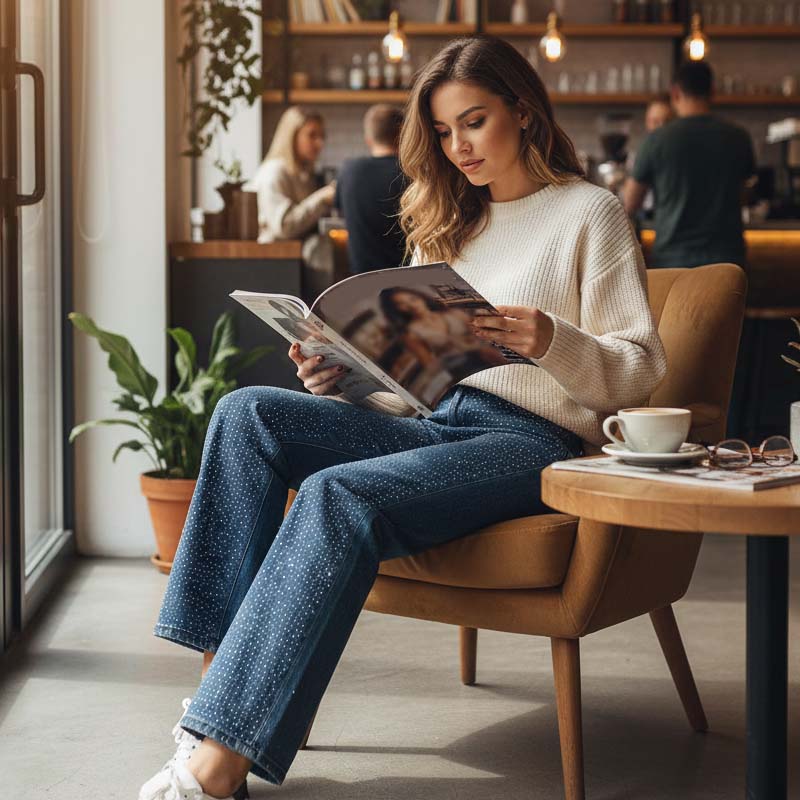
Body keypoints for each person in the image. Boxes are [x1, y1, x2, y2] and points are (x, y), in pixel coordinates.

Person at [140, 34, 666, 800]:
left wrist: (550, 338)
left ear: (523, 112)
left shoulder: (591, 214)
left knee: (337, 495)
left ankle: (216, 767)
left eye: (474, 123)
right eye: (445, 133)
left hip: (530, 442)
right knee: (248, 412)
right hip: (436, 422)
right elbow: (413, 389)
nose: (459, 149)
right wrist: (345, 380)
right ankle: (216, 704)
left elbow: (642, 370)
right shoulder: (449, 223)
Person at [623, 61, 756, 268]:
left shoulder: (657, 140)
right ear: (713, 92)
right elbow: (744, 195)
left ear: (675, 93)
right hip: (728, 259)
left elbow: (629, 203)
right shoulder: (739, 137)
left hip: (673, 258)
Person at [250, 106, 336, 299]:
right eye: (312, 135)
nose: (319, 143)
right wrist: (322, 198)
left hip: (291, 267)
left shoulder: (303, 174)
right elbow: (284, 226)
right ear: (292, 136)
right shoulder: (274, 172)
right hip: (274, 267)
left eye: (322, 136)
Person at [334, 104, 407, 273]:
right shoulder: (410, 174)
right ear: (401, 136)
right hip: (404, 280)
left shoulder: (349, 171)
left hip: (361, 282)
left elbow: (338, 211)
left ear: (369, 139)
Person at [378, 286, 506, 379]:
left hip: (487, 354)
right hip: (458, 366)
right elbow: (430, 366)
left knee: (491, 353)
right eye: (401, 304)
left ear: (420, 297)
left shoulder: (452, 313)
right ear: (396, 310)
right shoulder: (411, 333)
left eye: (412, 298)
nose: (411, 305)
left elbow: (483, 335)